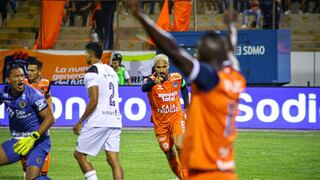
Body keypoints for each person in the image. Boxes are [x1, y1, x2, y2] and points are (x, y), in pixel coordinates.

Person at [127, 1, 246, 179]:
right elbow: (229, 49)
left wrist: (141, 16)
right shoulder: (235, 75)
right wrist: (231, 26)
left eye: (200, 53)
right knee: (171, 151)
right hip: (226, 170)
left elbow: (173, 50)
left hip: (206, 171)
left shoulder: (209, 79)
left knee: (181, 147)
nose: (196, 56)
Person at [73, 42, 123, 180]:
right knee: (114, 160)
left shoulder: (92, 72)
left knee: (79, 155)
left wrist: (80, 121)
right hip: (115, 119)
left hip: (99, 120)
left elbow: (94, 99)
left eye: (85, 53)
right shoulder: (111, 71)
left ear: (90, 54)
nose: (85, 56)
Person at [0, 65, 55, 180]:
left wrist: (33, 137)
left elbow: (50, 119)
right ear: (8, 79)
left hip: (38, 141)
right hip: (18, 141)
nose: (20, 79)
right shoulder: (3, 92)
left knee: (32, 179)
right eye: (16, 76)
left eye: (22, 76)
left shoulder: (33, 95)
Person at [141, 54, 189, 179]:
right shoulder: (149, 80)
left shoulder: (177, 78)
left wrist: (187, 107)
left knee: (180, 146)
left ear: (168, 66)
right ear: (154, 68)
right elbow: (143, 88)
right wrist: (153, 83)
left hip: (176, 118)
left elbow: (183, 86)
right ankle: (181, 176)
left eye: (164, 66)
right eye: (158, 67)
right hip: (161, 124)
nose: (161, 70)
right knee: (168, 152)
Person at [21, 59, 53, 178]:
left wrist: (51, 114)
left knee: (44, 148)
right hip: (26, 122)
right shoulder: (22, 83)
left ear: (40, 72)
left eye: (32, 70)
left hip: (42, 122)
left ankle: (43, 174)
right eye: (28, 70)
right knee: (24, 149)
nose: (29, 73)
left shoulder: (45, 83)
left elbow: (48, 97)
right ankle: (26, 173)